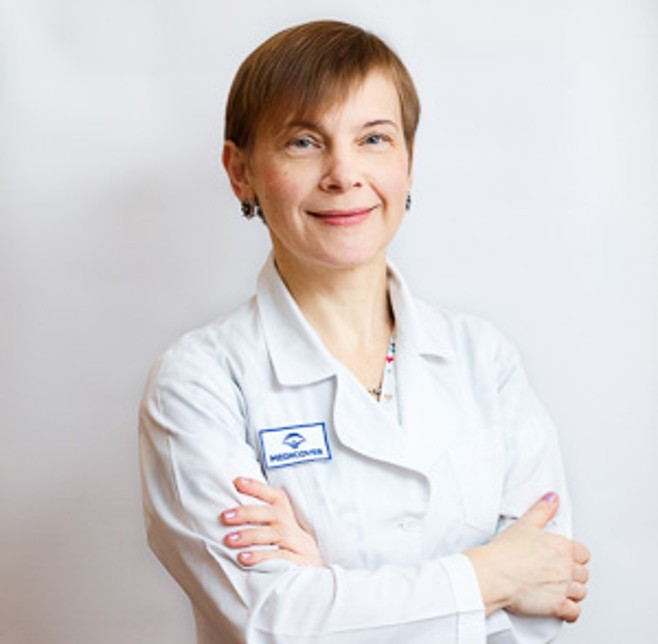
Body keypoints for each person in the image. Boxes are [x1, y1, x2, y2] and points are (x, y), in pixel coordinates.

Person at [139, 20, 590, 644]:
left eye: (374, 138)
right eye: (303, 142)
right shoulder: (199, 382)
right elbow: (271, 622)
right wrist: (492, 575)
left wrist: (326, 586)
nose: (343, 173)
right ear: (240, 171)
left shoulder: (484, 359)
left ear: (408, 160)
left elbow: (543, 601)